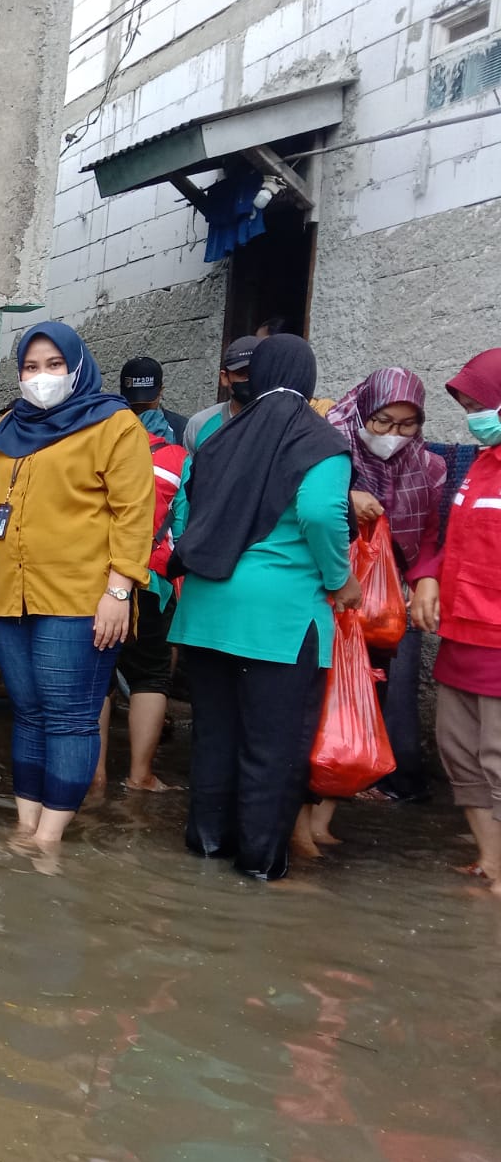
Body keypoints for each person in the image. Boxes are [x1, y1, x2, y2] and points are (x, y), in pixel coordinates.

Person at [168, 334, 361, 881]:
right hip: (279, 621)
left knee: (215, 739)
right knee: (270, 750)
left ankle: (206, 849)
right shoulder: (317, 440)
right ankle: (257, 868)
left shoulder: (218, 436)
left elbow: (187, 509)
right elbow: (323, 513)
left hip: (206, 611)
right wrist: (340, 579)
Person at [0, 321, 154, 852]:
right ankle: (25, 826)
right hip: (8, 593)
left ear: (76, 367)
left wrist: (119, 592)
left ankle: (49, 838)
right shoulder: (9, 425)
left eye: (53, 366)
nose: (41, 377)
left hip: (78, 597)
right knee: (26, 711)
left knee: (69, 715)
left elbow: (134, 516)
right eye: (30, 367)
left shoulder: (114, 425)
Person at [317, 368, 446, 821]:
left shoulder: (428, 467)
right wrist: (345, 496)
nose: (393, 435)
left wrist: (427, 577)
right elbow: (300, 498)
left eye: (406, 424)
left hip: (386, 605)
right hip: (326, 592)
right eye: (383, 421)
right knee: (321, 696)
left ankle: (355, 789)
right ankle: (312, 803)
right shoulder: (329, 446)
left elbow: (428, 535)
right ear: (363, 412)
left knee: (377, 694)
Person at [408, 349, 501, 897]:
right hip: (460, 638)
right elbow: (444, 538)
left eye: (480, 404)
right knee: (460, 753)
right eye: (468, 407)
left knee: (497, 759)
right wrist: (428, 577)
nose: (472, 416)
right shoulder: (482, 464)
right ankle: (489, 860)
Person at [94, 421, 188, 794]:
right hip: (152, 582)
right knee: (150, 675)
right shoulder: (179, 458)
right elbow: (183, 530)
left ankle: (95, 774)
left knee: (99, 677)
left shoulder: (100, 450)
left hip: (98, 580)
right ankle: (140, 775)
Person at [184, 336, 259, 454]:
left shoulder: (283, 425)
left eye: (256, 371)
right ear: (224, 378)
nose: (250, 379)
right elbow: (189, 470)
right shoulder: (200, 424)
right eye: (241, 373)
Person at [120, 356, 189, 445]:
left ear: (160, 392)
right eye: (134, 405)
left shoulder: (180, 428)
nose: (140, 410)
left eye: (146, 406)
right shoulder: (113, 428)